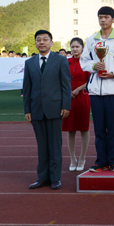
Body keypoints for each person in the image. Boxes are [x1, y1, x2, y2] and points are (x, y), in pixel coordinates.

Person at [80, 6, 114, 172]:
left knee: (113, 128)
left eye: (106, 17)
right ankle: (101, 160)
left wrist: (113, 74)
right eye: (100, 17)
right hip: (95, 91)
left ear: (113, 20)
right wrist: (94, 66)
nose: (103, 20)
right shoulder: (91, 40)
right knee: (99, 129)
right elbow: (84, 61)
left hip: (113, 90)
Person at [23, 30, 71, 190]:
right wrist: (27, 109)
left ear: (51, 42)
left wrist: (66, 106)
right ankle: (42, 178)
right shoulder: (29, 63)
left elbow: (66, 85)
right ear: (35, 43)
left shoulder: (61, 60)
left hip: (55, 109)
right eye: (38, 40)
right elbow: (27, 88)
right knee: (42, 146)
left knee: (55, 145)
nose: (41, 42)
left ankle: (55, 178)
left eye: (45, 39)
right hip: (36, 109)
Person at [62, 37, 91, 171]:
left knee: (84, 128)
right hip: (68, 97)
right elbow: (62, 79)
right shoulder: (66, 62)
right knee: (70, 129)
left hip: (83, 96)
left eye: (77, 47)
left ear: (82, 48)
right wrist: (68, 91)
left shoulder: (87, 62)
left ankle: (82, 158)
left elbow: (91, 79)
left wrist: (78, 89)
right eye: (72, 47)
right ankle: (72, 159)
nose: (74, 49)